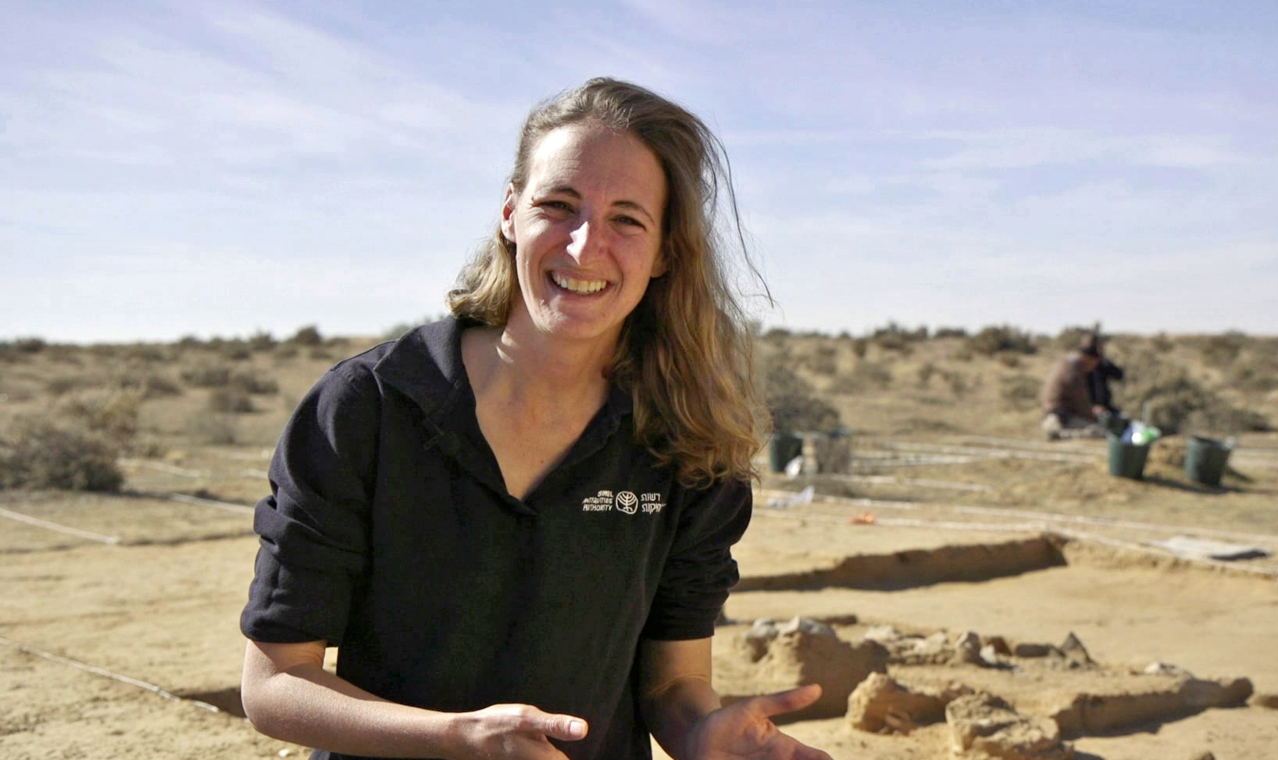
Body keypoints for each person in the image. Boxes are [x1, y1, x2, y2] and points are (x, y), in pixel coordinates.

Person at [238, 78, 833, 760]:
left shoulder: (687, 442)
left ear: (667, 250)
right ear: (510, 214)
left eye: (627, 219)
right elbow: (276, 682)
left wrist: (701, 734)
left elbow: (673, 685)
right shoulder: (368, 407)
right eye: (559, 205)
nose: (584, 247)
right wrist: (464, 739)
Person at [1039, 336, 1109, 440]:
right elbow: (1080, 402)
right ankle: (1060, 434)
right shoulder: (1073, 371)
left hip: (1055, 414)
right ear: (1089, 358)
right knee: (1100, 432)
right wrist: (1094, 416)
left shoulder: (1068, 363)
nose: (1093, 367)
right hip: (1060, 417)